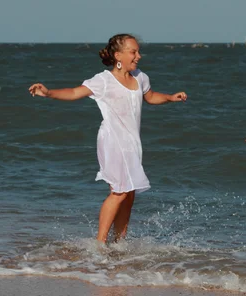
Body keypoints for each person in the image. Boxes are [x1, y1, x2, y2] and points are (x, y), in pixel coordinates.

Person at [28, 34, 187, 243]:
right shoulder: (103, 80)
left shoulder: (140, 77)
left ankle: (119, 243)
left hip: (132, 143)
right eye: (134, 52)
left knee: (129, 194)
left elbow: (150, 97)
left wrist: (169, 97)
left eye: (138, 51)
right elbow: (75, 92)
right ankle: (100, 244)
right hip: (112, 141)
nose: (138, 56)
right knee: (119, 192)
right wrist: (49, 93)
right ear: (118, 55)